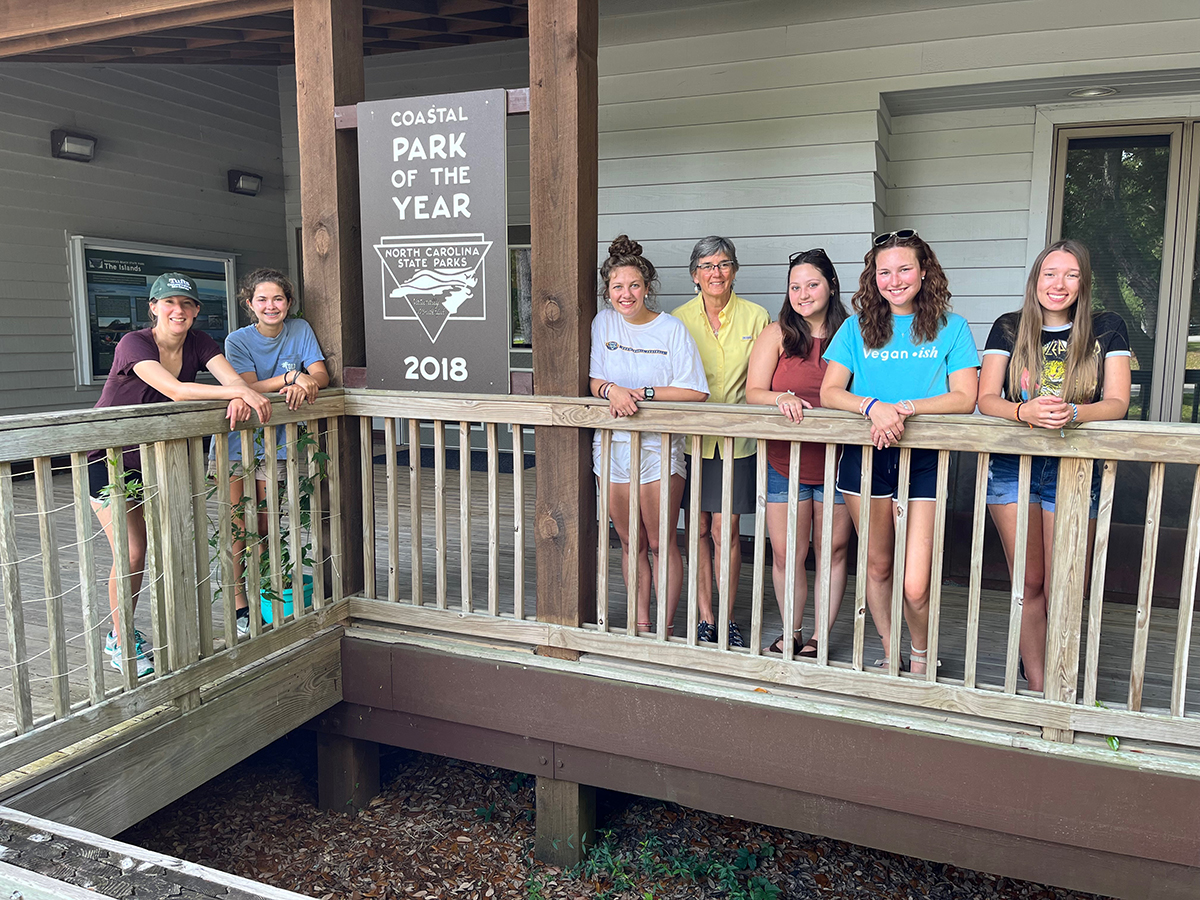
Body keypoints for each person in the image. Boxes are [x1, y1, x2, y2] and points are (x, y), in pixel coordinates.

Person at [88, 272, 272, 676]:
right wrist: (240, 393)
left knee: (172, 546)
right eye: (169, 303)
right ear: (153, 307)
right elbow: (176, 390)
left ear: (195, 312)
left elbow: (232, 379)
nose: (179, 311)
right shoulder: (133, 343)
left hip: (160, 458)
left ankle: (179, 634)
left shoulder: (200, 342)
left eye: (187, 304)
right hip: (111, 459)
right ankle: (120, 640)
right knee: (133, 551)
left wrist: (240, 389)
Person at [820, 230, 979, 674]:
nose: (894, 280)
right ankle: (892, 652)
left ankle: (922, 655)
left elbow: (965, 396)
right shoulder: (856, 328)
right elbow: (830, 391)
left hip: (923, 460)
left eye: (904, 269)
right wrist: (872, 407)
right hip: (866, 457)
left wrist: (903, 409)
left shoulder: (953, 327)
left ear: (924, 271)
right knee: (877, 566)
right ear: (873, 278)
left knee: (915, 584)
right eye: (884, 271)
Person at [977, 240, 1130, 691]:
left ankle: (1059, 672)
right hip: (1013, 466)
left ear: (1083, 282)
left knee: (1066, 582)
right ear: (1035, 280)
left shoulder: (1107, 327)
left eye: (1070, 274)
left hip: (1075, 468)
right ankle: (1042, 683)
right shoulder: (1009, 326)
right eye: (1049, 274)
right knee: (1030, 581)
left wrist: (1074, 413)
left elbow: (1118, 402)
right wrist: (1024, 412)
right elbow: (986, 399)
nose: (1057, 284)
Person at [589, 235, 709, 635]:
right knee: (629, 542)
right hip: (613, 449)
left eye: (634, 285)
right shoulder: (602, 323)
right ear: (608, 291)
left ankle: (664, 625)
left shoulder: (670, 329)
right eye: (618, 287)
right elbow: (595, 380)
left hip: (660, 448)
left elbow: (696, 390)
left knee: (661, 543)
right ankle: (639, 623)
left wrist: (646, 394)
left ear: (647, 287)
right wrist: (612, 390)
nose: (627, 294)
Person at [745, 249, 852, 657]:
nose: (803, 293)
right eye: (795, 286)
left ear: (830, 286)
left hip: (839, 462)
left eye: (812, 284)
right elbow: (753, 392)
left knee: (832, 551)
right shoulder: (776, 334)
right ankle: (791, 629)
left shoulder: (853, 333)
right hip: (784, 462)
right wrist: (780, 397)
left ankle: (819, 638)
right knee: (788, 552)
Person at [213, 268, 329, 637]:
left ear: (289, 303)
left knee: (264, 525)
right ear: (250, 304)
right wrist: (293, 379)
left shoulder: (300, 329)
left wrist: (307, 380)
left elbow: (321, 375)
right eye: (261, 299)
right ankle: (238, 606)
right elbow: (248, 387)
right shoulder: (237, 340)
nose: (270, 305)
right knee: (236, 526)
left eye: (278, 298)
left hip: (277, 445)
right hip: (236, 445)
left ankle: (266, 594)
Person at [672, 236, 770, 647]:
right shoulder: (676, 319)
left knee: (725, 531)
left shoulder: (756, 317)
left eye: (724, 264)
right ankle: (705, 616)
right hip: (689, 441)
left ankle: (728, 616)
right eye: (707, 265)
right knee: (695, 529)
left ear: (734, 270)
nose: (716, 272)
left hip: (737, 444)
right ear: (695, 274)